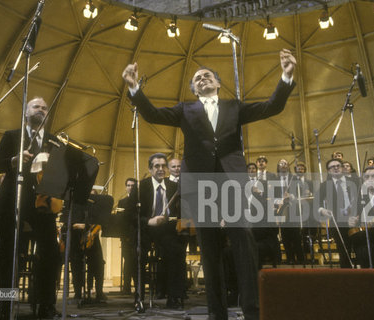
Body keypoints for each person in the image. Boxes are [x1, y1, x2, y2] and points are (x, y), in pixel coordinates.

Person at [122, 49, 296, 320]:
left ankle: (253, 311)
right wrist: (135, 88)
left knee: (244, 244)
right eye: (197, 78)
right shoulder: (184, 109)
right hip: (200, 187)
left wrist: (286, 76)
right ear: (194, 89)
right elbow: (153, 115)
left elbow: (271, 107)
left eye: (206, 76)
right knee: (210, 251)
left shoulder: (234, 107)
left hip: (232, 182)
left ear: (217, 82)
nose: (201, 79)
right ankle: (217, 314)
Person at [0, 97, 61, 319]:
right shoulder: (12, 136)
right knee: (9, 253)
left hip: (44, 204)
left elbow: (60, 173)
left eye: (44, 107)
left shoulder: (54, 140)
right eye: (36, 106)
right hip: (14, 201)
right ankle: (5, 304)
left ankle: (44, 304)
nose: (41, 109)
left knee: (50, 253)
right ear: (25, 112)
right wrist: (13, 160)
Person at [126, 153, 184, 309]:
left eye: (163, 166)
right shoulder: (141, 187)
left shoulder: (173, 187)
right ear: (150, 169)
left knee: (176, 251)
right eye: (157, 166)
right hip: (145, 229)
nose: (161, 169)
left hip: (165, 230)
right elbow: (129, 214)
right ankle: (139, 297)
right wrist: (148, 221)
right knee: (138, 252)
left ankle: (174, 297)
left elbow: (180, 212)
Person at [317, 158, 358, 268]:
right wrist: (322, 210)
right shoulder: (325, 185)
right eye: (332, 167)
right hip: (338, 221)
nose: (335, 168)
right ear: (329, 171)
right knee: (344, 251)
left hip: (356, 219)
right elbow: (317, 203)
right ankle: (346, 277)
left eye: (338, 166)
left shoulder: (354, 181)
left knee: (360, 249)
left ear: (342, 168)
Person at [117, 178, 137, 294]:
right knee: (128, 260)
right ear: (126, 187)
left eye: (133, 186)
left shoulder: (140, 201)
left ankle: (137, 286)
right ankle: (126, 287)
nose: (130, 187)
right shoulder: (122, 202)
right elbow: (120, 219)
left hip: (137, 234)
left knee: (135, 260)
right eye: (128, 185)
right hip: (126, 235)